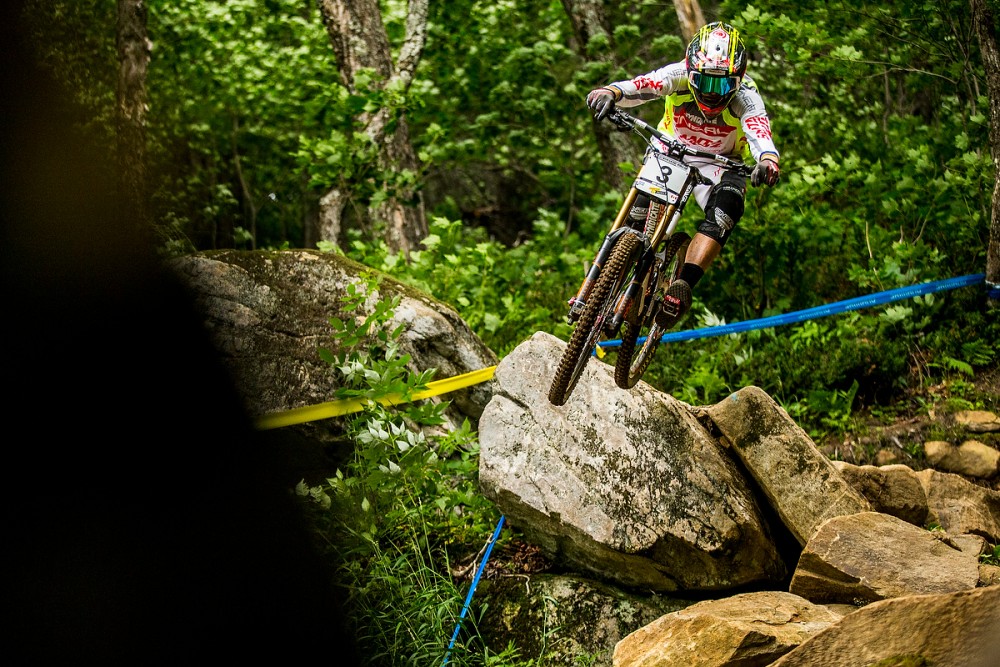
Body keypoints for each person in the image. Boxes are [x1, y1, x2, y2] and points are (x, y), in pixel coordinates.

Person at [585, 21, 780, 328]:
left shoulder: (747, 97)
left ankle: (682, 286)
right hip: (671, 149)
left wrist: (767, 161)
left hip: (720, 162)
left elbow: (760, 134)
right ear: (690, 71)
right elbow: (643, 85)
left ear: (739, 79)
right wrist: (611, 92)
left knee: (728, 208)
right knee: (637, 214)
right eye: (703, 81)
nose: (711, 93)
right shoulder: (676, 74)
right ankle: (603, 279)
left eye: (721, 85)